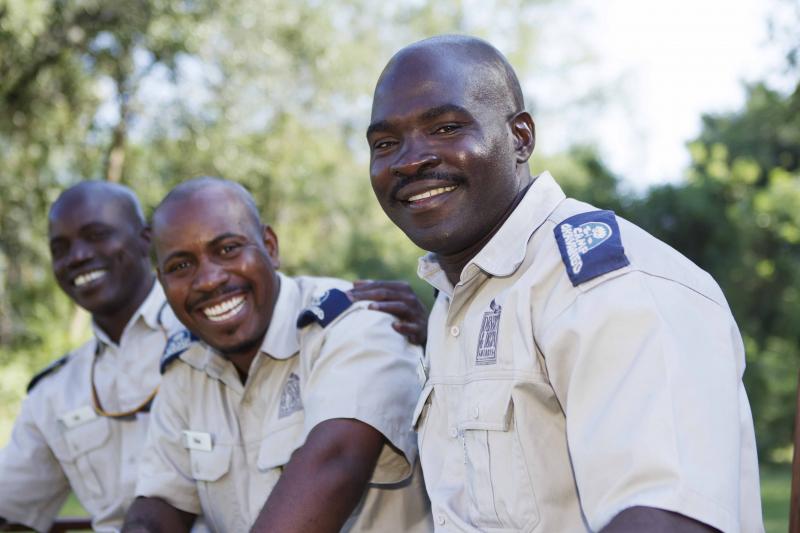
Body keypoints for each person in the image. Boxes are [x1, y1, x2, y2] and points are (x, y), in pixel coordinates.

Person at [366, 35, 763, 532]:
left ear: (521, 137)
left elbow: (664, 519)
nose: (408, 160)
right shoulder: (457, 300)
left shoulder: (611, 286)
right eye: (385, 144)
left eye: (446, 127)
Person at [123, 177, 432, 532]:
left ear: (269, 247)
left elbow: (333, 465)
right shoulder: (186, 365)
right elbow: (161, 502)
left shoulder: (356, 323)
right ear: (161, 282)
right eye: (180, 266)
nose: (207, 280)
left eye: (227, 249)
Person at [0, 181, 178, 532]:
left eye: (96, 235)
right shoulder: (55, 393)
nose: (78, 256)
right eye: (60, 248)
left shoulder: (213, 341)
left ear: (146, 239)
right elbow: (10, 505)